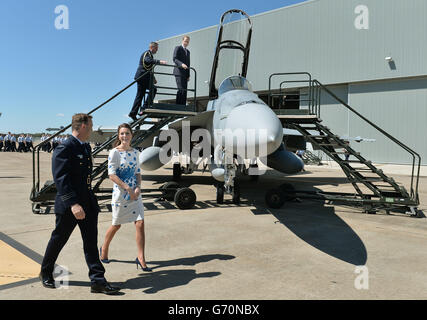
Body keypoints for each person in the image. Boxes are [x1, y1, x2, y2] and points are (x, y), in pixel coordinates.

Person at [39, 113, 120, 294]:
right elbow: (61, 179)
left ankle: (98, 280)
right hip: (70, 206)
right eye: (90, 125)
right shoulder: (65, 148)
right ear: (83, 126)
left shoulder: (84, 147)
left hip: (87, 203)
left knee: (90, 243)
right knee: (58, 239)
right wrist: (74, 204)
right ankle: (46, 272)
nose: (92, 129)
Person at [100, 123, 152, 272]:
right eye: (122, 133)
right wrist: (127, 188)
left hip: (135, 194)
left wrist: (138, 187)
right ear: (118, 136)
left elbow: (137, 172)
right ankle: (104, 248)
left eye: (127, 133)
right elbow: (112, 175)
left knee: (140, 224)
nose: (124, 136)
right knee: (116, 225)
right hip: (121, 194)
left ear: (131, 135)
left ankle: (141, 257)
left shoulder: (135, 152)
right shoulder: (114, 153)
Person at [128, 42, 167, 121]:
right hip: (141, 77)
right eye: (156, 48)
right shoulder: (147, 53)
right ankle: (141, 109)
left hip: (145, 77)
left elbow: (149, 69)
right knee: (141, 94)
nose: (157, 50)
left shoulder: (150, 55)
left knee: (147, 92)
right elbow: (147, 60)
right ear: (152, 47)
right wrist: (159, 62)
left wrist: (153, 78)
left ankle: (137, 111)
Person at [173, 35, 191, 105]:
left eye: (188, 42)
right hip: (178, 72)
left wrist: (188, 75)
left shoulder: (188, 52)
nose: (186, 43)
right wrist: (181, 64)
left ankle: (182, 107)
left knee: (185, 91)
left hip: (185, 74)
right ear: (182, 41)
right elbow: (174, 59)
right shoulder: (178, 48)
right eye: (185, 41)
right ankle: (178, 106)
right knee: (181, 90)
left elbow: (188, 63)